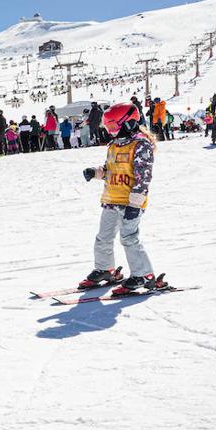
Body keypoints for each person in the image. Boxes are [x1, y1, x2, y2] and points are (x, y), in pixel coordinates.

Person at [78, 103, 160, 294]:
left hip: (130, 203)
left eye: (114, 127)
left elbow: (143, 176)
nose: (111, 132)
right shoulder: (114, 145)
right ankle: (105, 269)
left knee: (129, 238)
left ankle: (143, 274)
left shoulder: (141, 144)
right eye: (108, 128)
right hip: (111, 200)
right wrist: (96, 172)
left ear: (129, 123)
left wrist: (135, 204)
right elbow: (110, 170)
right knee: (103, 238)